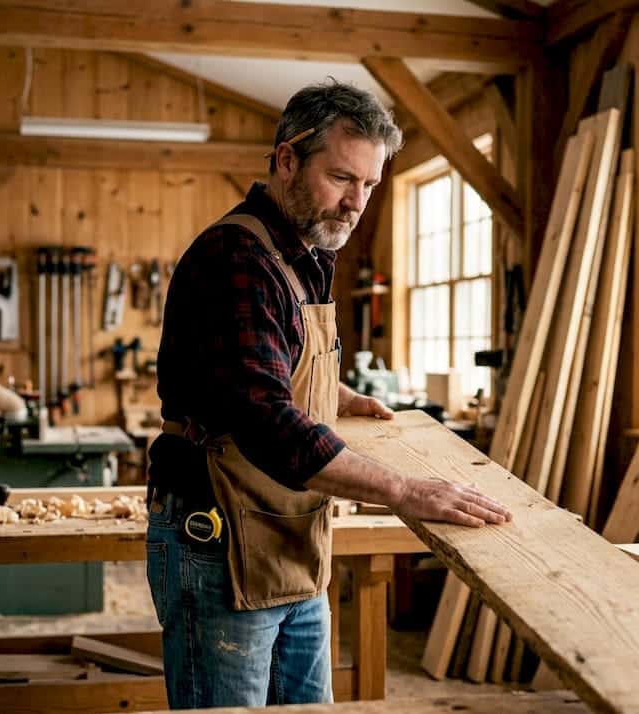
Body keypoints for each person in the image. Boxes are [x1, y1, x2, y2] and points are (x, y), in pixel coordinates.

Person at [146, 79, 511, 709]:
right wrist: (406, 491)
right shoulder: (237, 257)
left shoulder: (304, 252)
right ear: (287, 159)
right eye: (343, 178)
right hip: (219, 538)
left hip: (291, 533)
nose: (355, 203)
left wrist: (333, 392)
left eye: (369, 185)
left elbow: (267, 358)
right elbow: (262, 417)